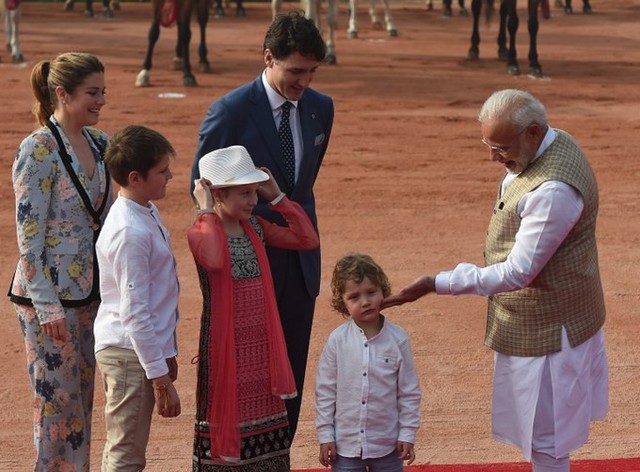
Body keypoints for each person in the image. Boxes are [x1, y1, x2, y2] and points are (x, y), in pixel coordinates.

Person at [384, 89, 608, 472]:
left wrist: (438, 282)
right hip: (553, 320)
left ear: (534, 133)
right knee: (546, 439)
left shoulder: (552, 191)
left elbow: (518, 272)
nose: (492, 157)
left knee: (548, 442)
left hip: (549, 334)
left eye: (501, 147)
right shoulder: (554, 143)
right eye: (488, 144)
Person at [189, 10, 333, 441]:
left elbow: (302, 185)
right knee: (244, 373)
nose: (303, 82)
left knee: (290, 367)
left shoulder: (321, 109)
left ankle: (279, 456)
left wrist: (281, 206)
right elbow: (201, 185)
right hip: (245, 265)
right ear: (268, 57)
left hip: (298, 259)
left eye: (311, 72)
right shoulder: (230, 111)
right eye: (295, 71)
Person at [188, 145, 320, 470]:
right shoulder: (200, 231)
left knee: (266, 432)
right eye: (243, 193)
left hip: (261, 351)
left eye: (254, 192)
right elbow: (216, 258)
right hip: (226, 352)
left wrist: (277, 197)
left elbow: (307, 239)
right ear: (216, 193)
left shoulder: (257, 227)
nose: (252, 200)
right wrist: (205, 210)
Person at [9, 52, 111, 470]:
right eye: (92, 93)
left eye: (103, 91)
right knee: (55, 410)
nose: (101, 100)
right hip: (46, 303)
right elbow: (28, 239)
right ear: (62, 93)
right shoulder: (37, 150)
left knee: (81, 404)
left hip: (91, 296)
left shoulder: (101, 142)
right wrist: (47, 306)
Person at [93, 125, 181, 471]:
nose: (169, 175)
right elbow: (135, 313)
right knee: (126, 455)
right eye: (161, 171)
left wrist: (166, 353)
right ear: (136, 177)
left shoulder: (142, 209)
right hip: (129, 353)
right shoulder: (130, 230)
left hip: (134, 351)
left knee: (122, 447)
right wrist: (160, 377)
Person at [316, 253, 421, 471]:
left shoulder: (398, 339)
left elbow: (409, 392)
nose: (365, 302)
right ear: (342, 302)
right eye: (354, 297)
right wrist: (325, 435)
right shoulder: (337, 340)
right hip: (345, 448)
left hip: (388, 447)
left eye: (371, 292)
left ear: (383, 290)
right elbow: (325, 391)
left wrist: (407, 433)